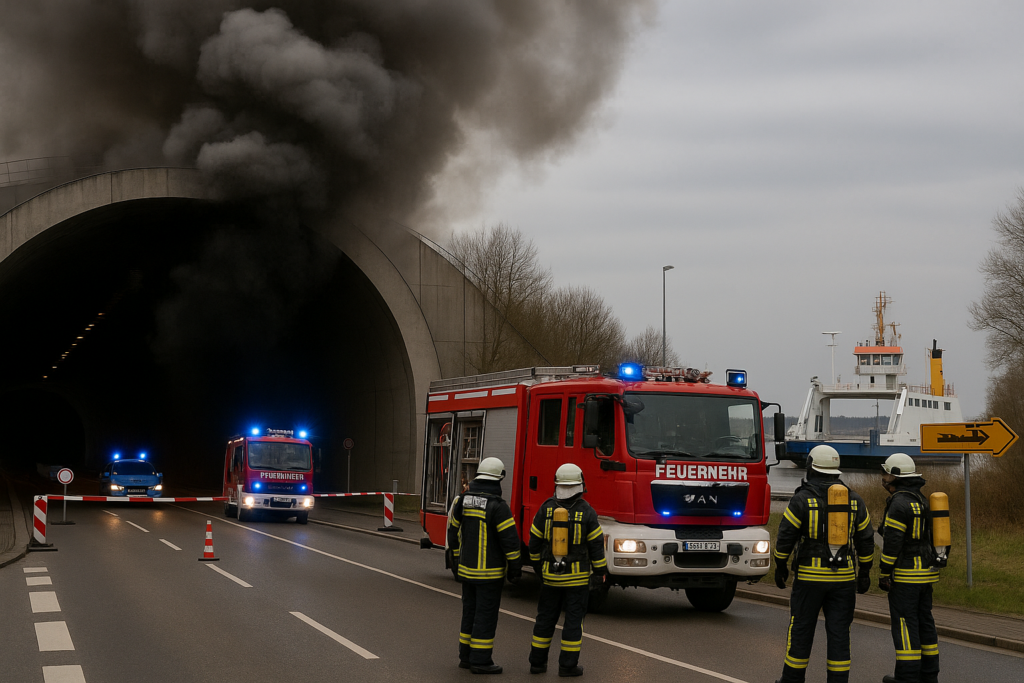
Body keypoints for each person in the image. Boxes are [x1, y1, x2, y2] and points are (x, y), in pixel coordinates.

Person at [772, 445, 875, 683]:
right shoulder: (855, 500)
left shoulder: (802, 500)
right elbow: (866, 540)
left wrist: (780, 566)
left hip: (809, 578)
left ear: (811, 468)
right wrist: (865, 573)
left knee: (801, 630)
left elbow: (785, 537)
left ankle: (791, 680)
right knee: (840, 634)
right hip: (844, 580)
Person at [527, 463, 607, 677]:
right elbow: (596, 546)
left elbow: (533, 543)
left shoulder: (545, 509)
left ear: (558, 485)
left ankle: (537, 663)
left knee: (545, 619)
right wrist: (599, 573)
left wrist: (539, 568)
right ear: (580, 485)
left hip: (550, 577)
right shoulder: (587, 512)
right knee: (573, 623)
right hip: (577, 580)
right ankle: (567, 666)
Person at [447, 457, 522, 674]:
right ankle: (481, 661)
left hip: (466, 571)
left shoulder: (462, 500)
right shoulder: (498, 507)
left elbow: (453, 531)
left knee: (469, 612)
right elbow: (510, 541)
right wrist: (515, 569)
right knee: (485, 615)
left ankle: (466, 656)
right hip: (489, 575)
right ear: (498, 479)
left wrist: (457, 558)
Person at [878, 453, 943, 683]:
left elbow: (892, 544)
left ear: (895, 476)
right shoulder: (922, 500)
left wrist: (884, 572)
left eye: (885, 473)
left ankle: (906, 677)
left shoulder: (899, 503)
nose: (883, 478)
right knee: (925, 623)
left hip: (906, 577)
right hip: (926, 575)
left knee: (905, 625)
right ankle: (929, 675)